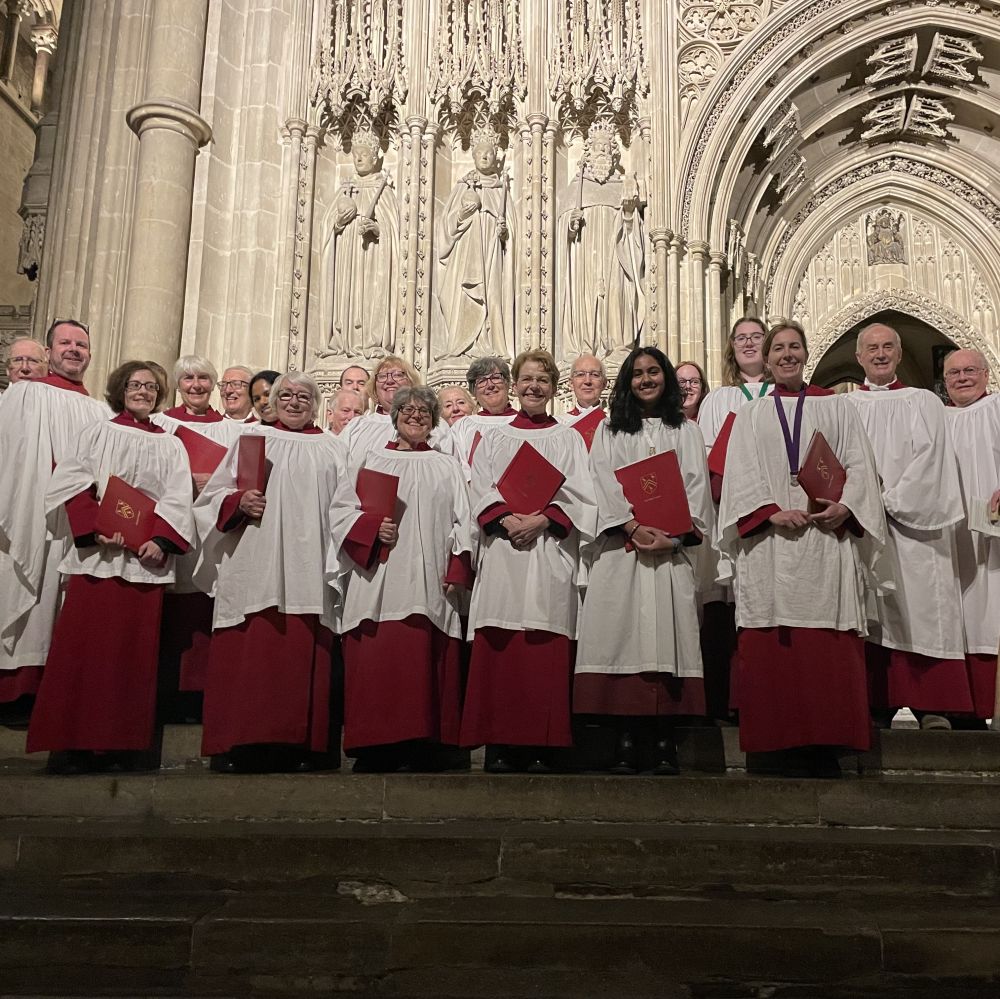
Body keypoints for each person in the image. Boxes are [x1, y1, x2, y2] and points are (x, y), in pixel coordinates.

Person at [717, 322, 887, 777]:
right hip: (769, 547)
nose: (787, 355)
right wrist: (769, 512)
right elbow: (740, 474)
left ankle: (826, 745)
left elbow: (860, 466)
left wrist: (846, 506)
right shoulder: (751, 415)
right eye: (779, 348)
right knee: (772, 643)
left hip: (825, 542)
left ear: (806, 354)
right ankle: (774, 746)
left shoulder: (837, 407)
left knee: (826, 646)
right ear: (767, 358)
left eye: (795, 347)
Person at [26, 361, 194, 773]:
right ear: (120, 390)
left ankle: (123, 746)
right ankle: (72, 746)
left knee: (131, 659)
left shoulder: (171, 444)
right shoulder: (96, 432)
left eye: (150, 387)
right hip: (97, 560)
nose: (143, 392)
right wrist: (95, 530)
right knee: (84, 655)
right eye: (135, 385)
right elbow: (72, 484)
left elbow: (177, 497)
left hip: (144, 564)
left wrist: (159, 541)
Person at [194, 372, 366, 772]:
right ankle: (241, 745)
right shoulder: (251, 440)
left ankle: (302, 748)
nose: (293, 401)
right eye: (285, 394)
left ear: (315, 404)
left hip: (309, 566)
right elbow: (213, 497)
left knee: (303, 655)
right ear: (273, 401)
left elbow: (346, 508)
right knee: (253, 653)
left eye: (303, 396)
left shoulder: (332, 448)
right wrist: (238, 502)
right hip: (254, 561)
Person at [575, 347, 714, 774]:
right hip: (623, 550)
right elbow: (601, 481)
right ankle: (625, 740)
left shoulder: (686, 431)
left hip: (670, 554)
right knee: (623, 639)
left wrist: (674, 538)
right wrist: (632, 527)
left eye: (654, 371)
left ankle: (664, 742)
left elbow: (697, 488)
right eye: (637, 374)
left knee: (666, 640)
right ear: (627, 382)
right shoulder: (610, 430)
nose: (646, 379)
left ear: (666, 378)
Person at [459, 349, 598, 772]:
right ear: (515, 385)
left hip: (549, 551)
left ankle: (546, 743)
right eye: (527, 379)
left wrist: (541, 520)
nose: (534, 386)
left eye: (542, 379)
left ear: (553, 388)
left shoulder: (568, 439)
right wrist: (507, 520)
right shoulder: (495, 438)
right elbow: (479, 488)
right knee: (502, 644)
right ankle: (502, 745)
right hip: (505, 552)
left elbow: (582, 494)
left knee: (545, 644)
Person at [339, 386, 474, 771]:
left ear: (434, 421)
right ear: (394, 416)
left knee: (425, 661)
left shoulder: (447, 465)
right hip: (377, 576)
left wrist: (458, 568)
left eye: (424, 412)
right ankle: (375, 746)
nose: (415, 416)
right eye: (407, 410)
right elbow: (341, 510)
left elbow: (465, 521)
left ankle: (426, 745)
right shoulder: (370, 458)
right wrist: (368, 528)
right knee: (378, 660)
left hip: (430, 577)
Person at [848, 324, 971, 730]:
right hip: (864, 526)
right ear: (859, 357)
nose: (880, 354)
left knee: (923, 606)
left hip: (919, 531)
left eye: (888, 347)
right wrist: (863, 502)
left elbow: (932, 461)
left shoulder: (924, 402)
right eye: (872, 348)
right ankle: (875, 704)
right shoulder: (843, 405)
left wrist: (887, 501)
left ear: (899, 355)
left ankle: (931, 704)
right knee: (871, 609)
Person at [0, 319, 108, 705]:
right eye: (65, 343)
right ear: (49, 353)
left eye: (81, 344)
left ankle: (50, 690)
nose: (74, 349)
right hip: (33, 514)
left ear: (90, 354)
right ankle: (15, 689)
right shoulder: (24, 394)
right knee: (26, 589)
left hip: (80, 523)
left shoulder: (101, 411)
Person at [695, 319, 772, 721]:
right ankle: (725, 700)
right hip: (728, 508)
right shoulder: (719, 399)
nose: (748, 343)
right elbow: (706, 454)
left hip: (774, 513)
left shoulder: (784, 395)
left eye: (756, 337)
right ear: (731, 347)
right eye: (741, 338)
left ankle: (767, 698)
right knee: (723, 605)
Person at [944, 348, 999, 725]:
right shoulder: (937, 417)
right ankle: (961, 709)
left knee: (989, 613)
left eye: (970, 371)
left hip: (994, 534)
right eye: (954, 373)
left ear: (986, 374)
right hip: (949, 534)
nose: (962, 378)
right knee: (956, 615)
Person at [343, 355, 451, 467]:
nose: (389, 381)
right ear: (374, 389)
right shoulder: (357, 426)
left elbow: (447, 467)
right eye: (382, 376)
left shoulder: (432, 424)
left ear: (412, 384)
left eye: (398, 375)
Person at [448, 356, 517, 472]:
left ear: (507, 383)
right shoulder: (462, 426)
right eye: (482, 381)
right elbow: (456, 465)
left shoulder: (524, 423)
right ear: (474, 391)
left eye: (496, 377)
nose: (490, 385)